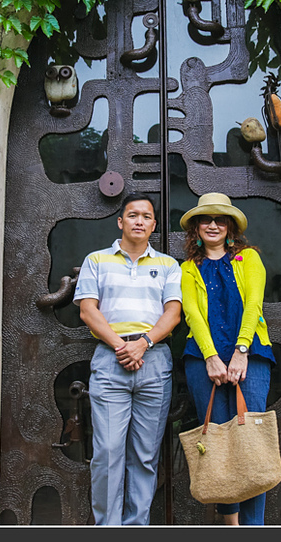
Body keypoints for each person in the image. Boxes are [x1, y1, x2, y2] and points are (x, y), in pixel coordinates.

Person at [73, 192, 182, 525]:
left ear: (154, 225)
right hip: (111, 360)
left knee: (145, 455)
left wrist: (143, 343)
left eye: (146, 217)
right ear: (121, 222)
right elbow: (87, 310)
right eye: (133, 215)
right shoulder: (96, 260)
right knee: (107, 453)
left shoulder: (168, 265)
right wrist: (122, 345)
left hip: (154, 361)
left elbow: (173, 313)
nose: (139, 221)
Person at [179, 192, 275, 526]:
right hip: (203, 361)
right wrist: (210, 357)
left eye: (220, 219)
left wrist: (241, 350)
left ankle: (253, 526)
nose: (213, 225)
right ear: (196, 228)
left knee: (251, 443)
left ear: (230, 227)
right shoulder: (188, 268)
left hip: (251, 356)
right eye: (205, 220)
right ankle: (230, 525)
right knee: (218, 443)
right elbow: (191, 314)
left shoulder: (249, 259)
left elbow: (254, 304)